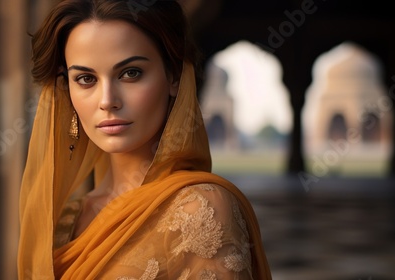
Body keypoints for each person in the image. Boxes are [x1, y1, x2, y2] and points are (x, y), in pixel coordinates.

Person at [18, 0, 272, 279]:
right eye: (86, 79)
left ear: (173, 76)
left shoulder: (201, 209)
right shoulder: (68, 217)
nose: (107, 101)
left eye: (130, 73)